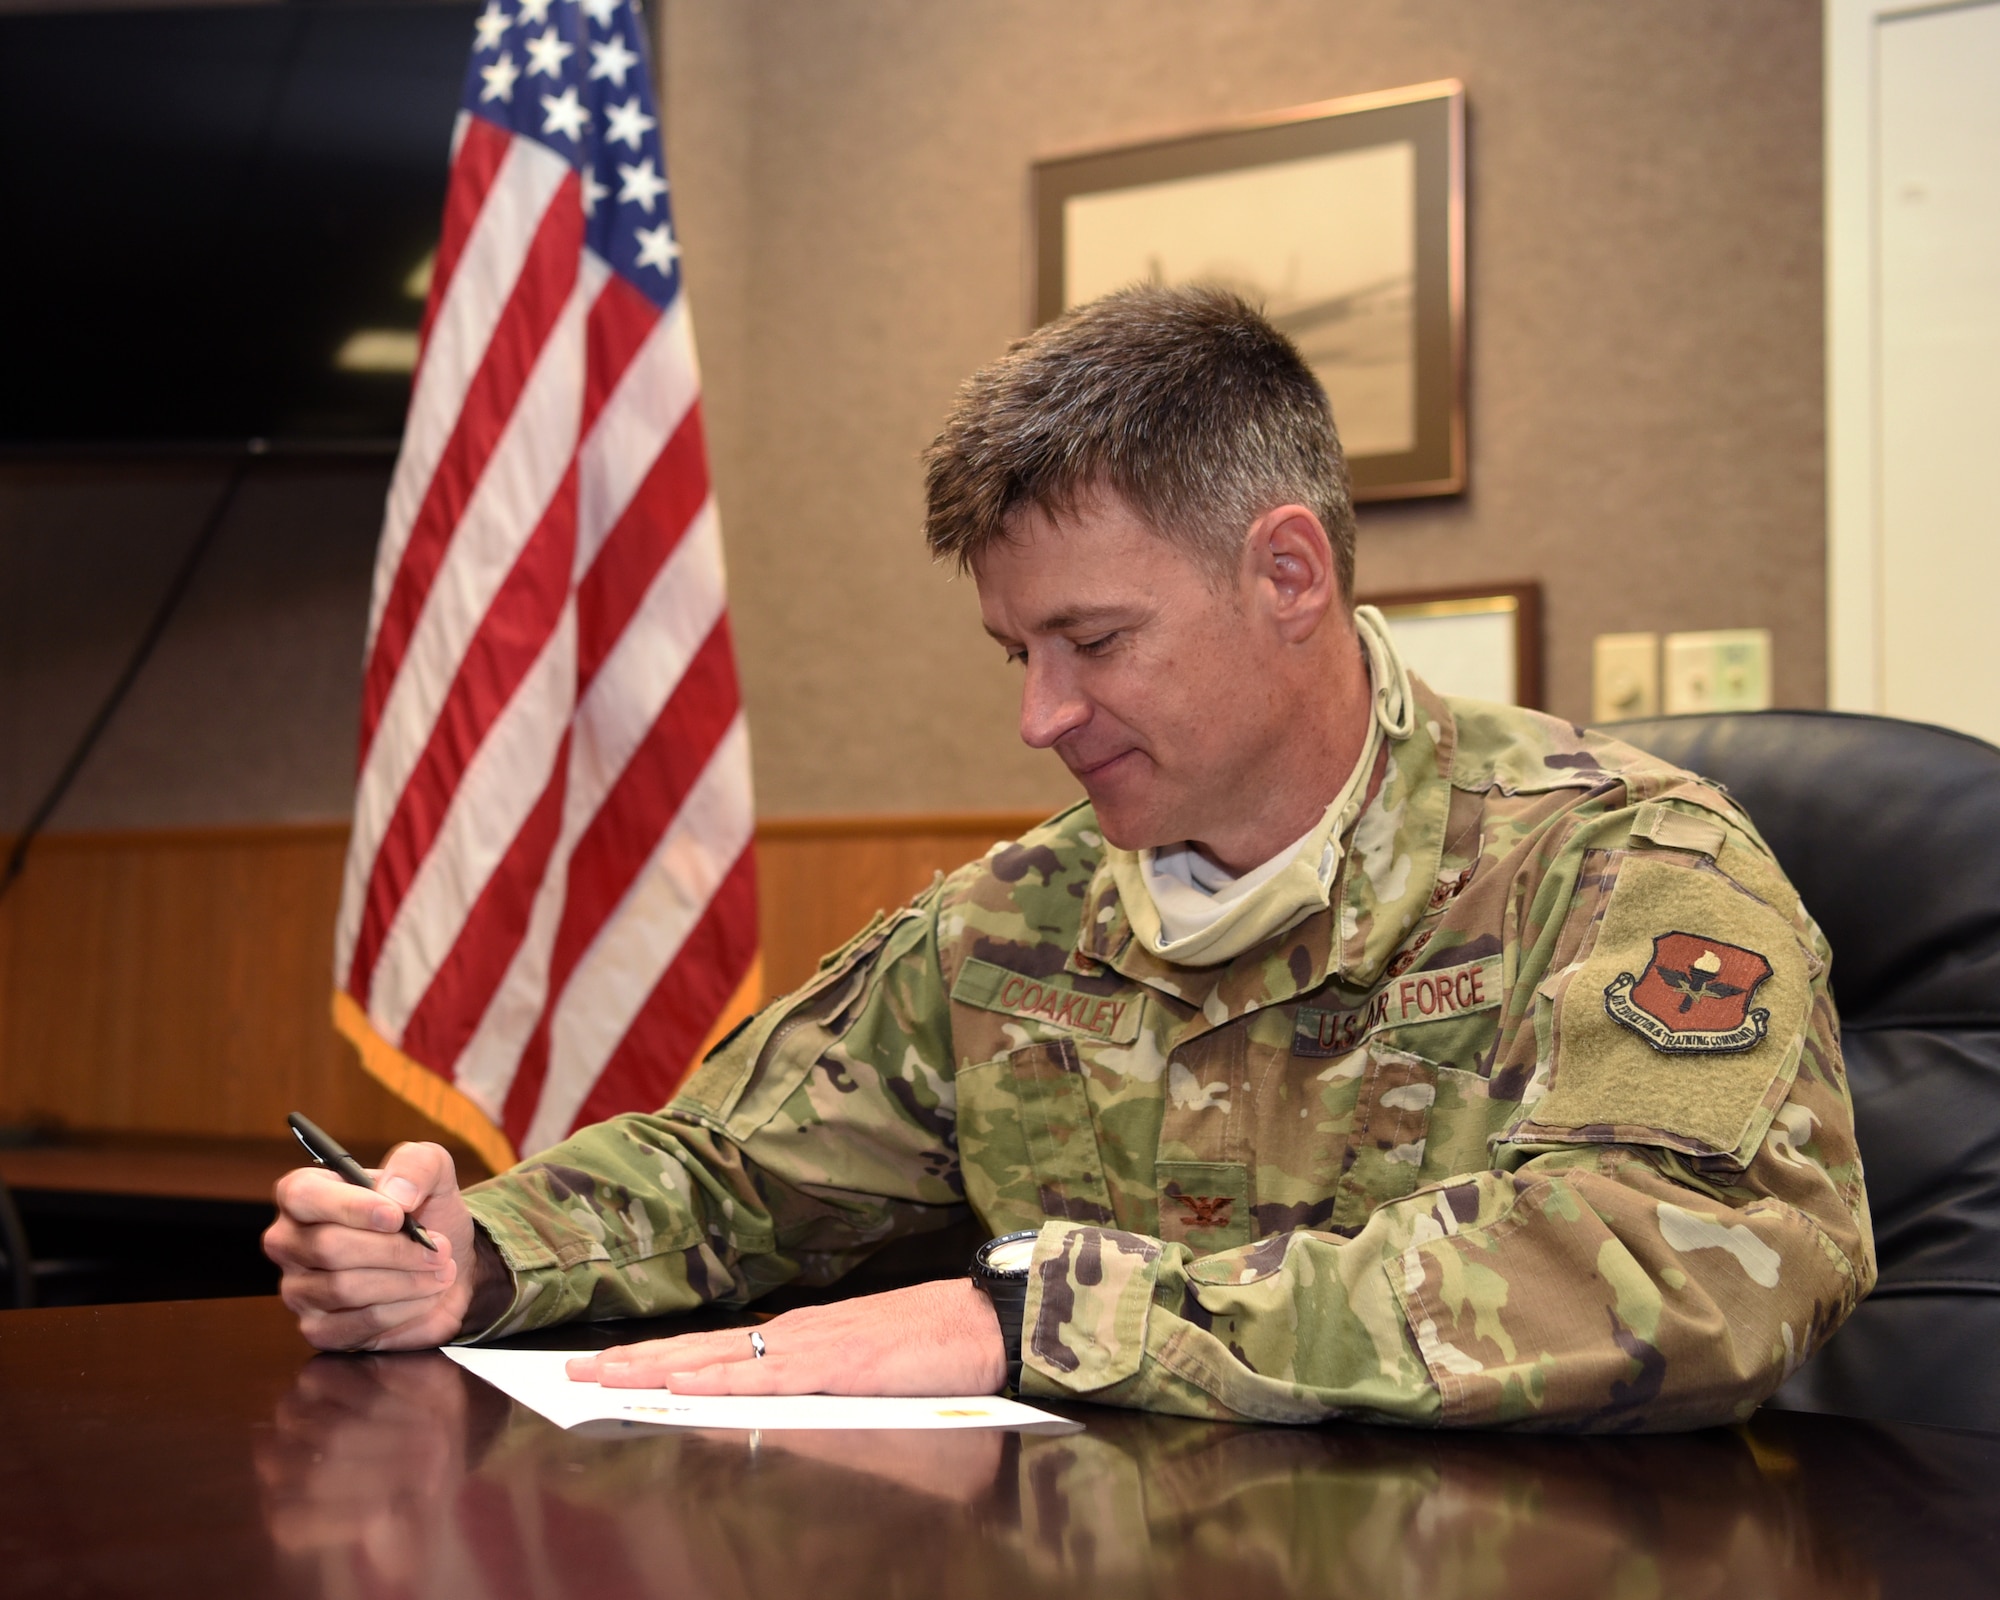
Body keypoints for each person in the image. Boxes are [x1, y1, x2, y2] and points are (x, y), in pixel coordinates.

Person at [266, 285, 1873, 1428]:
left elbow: (1682, 1271)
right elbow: (732, 1175)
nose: (1041, 716)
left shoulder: (1618, 868)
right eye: (1012, 653)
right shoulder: (1013, 926)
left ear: (1289, 573)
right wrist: (476, 1252)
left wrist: (1040, 1321)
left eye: (1093, 640)